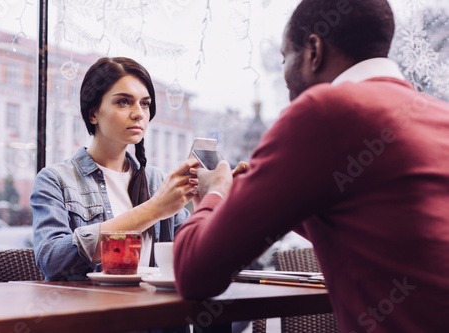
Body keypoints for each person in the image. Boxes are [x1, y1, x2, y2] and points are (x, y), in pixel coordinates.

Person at [173, 1, 449, 332]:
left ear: (314, 51)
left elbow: (194, 274)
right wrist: (264, 193)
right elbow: (369, 225)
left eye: (284, 59)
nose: (285, 78)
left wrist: (214, 194)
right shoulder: (437, 115)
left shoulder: (325, 110)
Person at [31, 57, 198, 281]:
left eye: (145, 104)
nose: (139, 113)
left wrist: (212, 200)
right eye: (123, 102)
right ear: (93, 114)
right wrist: (153, 210)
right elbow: (52, 260)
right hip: (91, 312)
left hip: (156, 311)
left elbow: (197, 254)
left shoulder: (155, 180)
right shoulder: (55, 180)